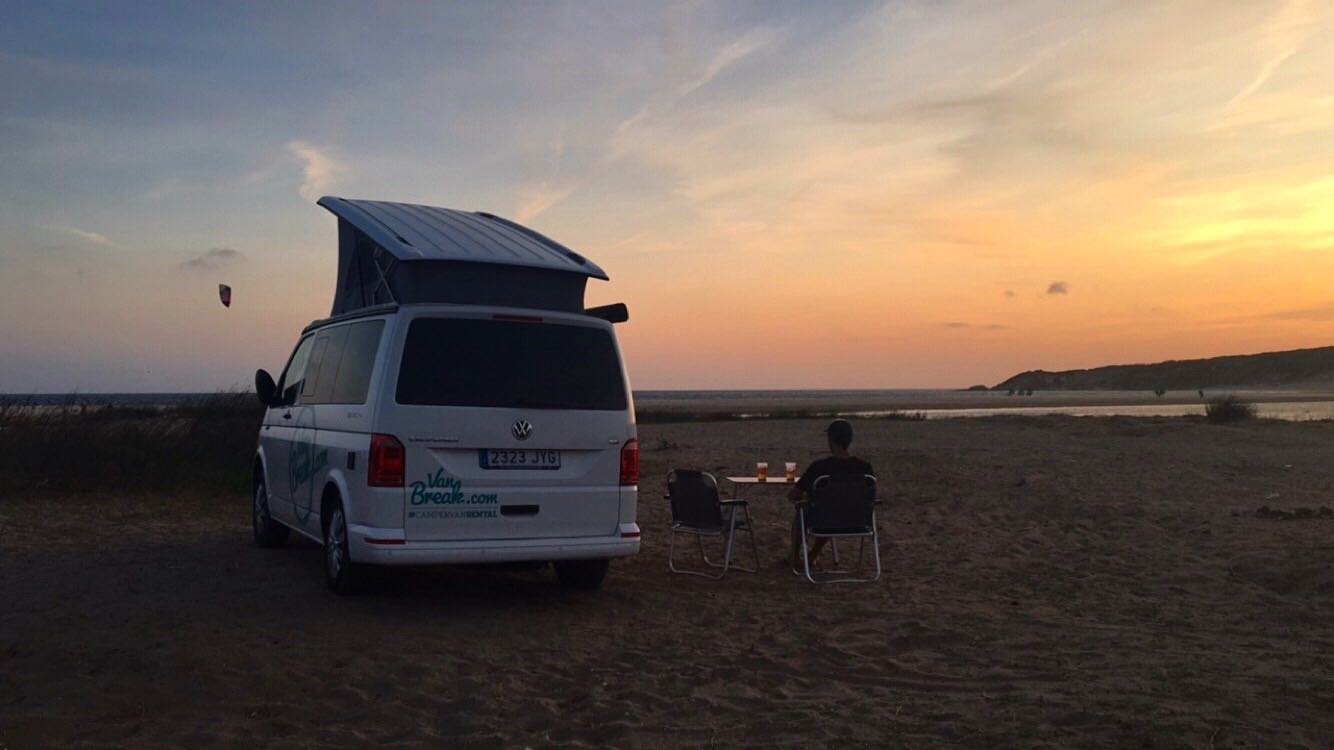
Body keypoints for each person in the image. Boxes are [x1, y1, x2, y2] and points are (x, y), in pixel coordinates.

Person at [788, 419, 875, 570]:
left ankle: (795, 557)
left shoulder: (820, 467)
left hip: (824, 519)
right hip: (859, 520)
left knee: (808, 511)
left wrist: (808, 497)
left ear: (831, 440)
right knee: (834, 505)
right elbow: (870, 497)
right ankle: (813, 554)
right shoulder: (865, 468)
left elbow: (793, 495)